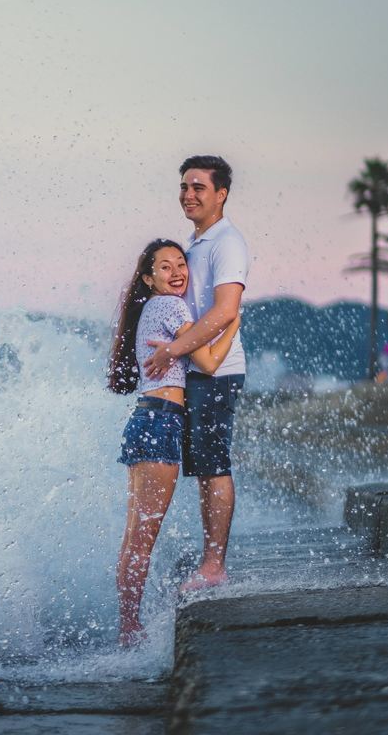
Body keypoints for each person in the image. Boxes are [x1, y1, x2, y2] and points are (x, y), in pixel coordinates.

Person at [107, 238, 240, 647]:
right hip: (161, 422)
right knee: (143, 537)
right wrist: (231, 318)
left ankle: (128, 625)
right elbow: (210, 362)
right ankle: (129, 630)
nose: (177, 272)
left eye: (181, 263)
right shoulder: (171, 306)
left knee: (136, 535)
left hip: (146, 420)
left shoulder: (150, 309)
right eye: (165, 267)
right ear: (148, 278)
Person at [143, 155, 249, 595]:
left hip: (218, 370)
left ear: (221, 194)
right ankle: (209, 560)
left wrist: (173, 349)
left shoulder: (228, 243)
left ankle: (213, 566)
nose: (188, 194)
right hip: (199, 369)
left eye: (198, 187)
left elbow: (226, 310)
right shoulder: (196, 242)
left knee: (213, 463)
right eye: (184, 186)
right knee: (203, 466)